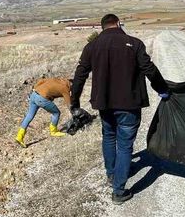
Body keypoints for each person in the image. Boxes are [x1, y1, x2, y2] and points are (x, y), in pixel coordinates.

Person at [70, 14, 168, 205]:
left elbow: (80, 74)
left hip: (104, 104)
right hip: (129, 104)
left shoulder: (92, 46)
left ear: (103, 27)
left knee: (109, 137)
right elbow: (150, 69)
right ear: (117, 23)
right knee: (124, 145)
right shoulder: (134, 43)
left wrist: (74, 101)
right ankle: (119, 191)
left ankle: (111, 174)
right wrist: (162, 89)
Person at [15, 77, 70, 148]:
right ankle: (53, 131)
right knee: (56, 113)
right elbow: (69, 104)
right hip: (42, 99)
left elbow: (41, 80)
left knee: (29, 116)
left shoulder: (56, 79)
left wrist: (34, 89)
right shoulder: (65, 88)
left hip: (34, 95)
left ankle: (19, 136)